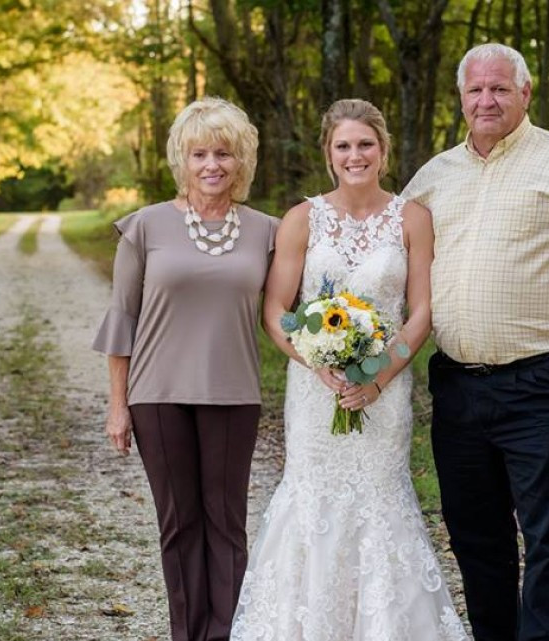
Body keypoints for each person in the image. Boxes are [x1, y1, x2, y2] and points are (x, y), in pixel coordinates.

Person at [401, 43, 549, 641]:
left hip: (544, 381)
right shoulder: (432, 178)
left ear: (526, 93)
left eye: (500, 88)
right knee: (476, 536)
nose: (487, 100)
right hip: (456, 385)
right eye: (476, 90)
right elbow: (394, 267)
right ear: (461, 98)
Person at [230, 99, 468, 641]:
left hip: (384, 392)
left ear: (383, 151)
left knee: (380, 498)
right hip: (317, 393)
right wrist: (318, 362)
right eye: (344, 146)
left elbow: (421, 311)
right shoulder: (301, 218)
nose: (355, 155)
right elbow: (277, 312)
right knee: (311, 497)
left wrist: (378, 375)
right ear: (328, 154)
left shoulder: (412, 218)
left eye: (365, 144)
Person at [92, 97, 278, 641]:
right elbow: (122, 317)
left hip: (234, 393)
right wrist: (117, 405)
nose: (211, 165)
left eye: (223, 153)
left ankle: (226, 632)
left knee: (227, 523)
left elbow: (292, 310)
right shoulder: (144, 227)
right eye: (199, 154)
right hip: (157, 395)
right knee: (179, 524)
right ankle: (187, 633)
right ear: (182, 159)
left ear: (241, 160)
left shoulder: (268, 231)